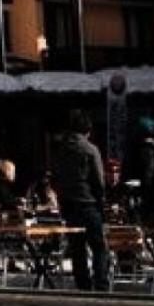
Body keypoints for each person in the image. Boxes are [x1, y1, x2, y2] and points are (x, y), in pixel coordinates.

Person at [51, 109, 109, 291]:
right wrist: (101, 201)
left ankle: (82, 284)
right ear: (87, 130)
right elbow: (98, 180)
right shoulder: (90, 149)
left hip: (68, 204)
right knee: (98, 246)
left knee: (77, 247)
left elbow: (55, 177)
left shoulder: (60, 150)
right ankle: (101, 283)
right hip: (88, 203)